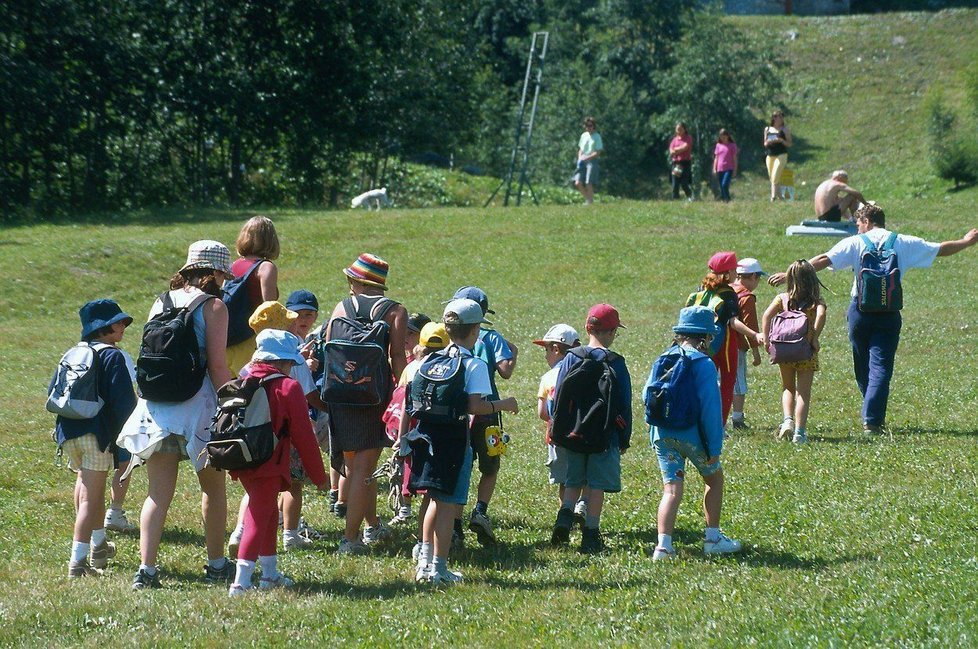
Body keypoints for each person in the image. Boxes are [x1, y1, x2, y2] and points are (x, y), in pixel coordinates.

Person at [769, 204, 978, 433]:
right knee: (881, 366)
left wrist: (791, 274)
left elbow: (823, 259)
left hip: (860, 312)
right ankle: (872, 419)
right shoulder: (903, 242)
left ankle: (872, 413)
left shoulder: (857, 242)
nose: (858, 229)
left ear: (866, 221)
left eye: (858, 224)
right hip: (889, 314)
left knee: (863, 366)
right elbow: (940, 249)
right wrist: (967, 241)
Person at [118, 240, 235, 590]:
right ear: (214, 273)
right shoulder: (213, 306)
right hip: (197, 408)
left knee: (157, 493)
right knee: (213, 489)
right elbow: (216, 365)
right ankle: (216, 564)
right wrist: (236, 398)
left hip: (156, 407)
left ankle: (147, 570)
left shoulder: (162, 301)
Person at [409, 299, 518, 584]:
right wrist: (503, 404)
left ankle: (424, 561)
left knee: (432, 499)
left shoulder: (429, 358)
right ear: (475, 331)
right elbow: (475, 406)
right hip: (454, 440)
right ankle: (439, 569)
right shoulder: (474, 364)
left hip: (425, 436)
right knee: (448, 504)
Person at [227, 329, 329, 597]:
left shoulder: (244, 378)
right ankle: (241, 583)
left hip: (242, 457)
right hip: (270, 463)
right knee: (258, 518)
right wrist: (319, 476)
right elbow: (304, 437)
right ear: (283, 361)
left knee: (269, 512)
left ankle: (269, 574)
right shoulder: (288, 387)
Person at [326, 253, 407, 555]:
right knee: (364, 468)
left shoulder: (340, 308)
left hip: (339, 393)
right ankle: (351, 538)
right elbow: (397, 357)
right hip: (374, 396)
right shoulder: (395, 310)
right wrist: (402, 392)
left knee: (356, 466)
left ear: (355, 281)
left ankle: (372, 525)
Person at [647, 306, 742, 561]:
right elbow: (711, 410)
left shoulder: (663, 358)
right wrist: (714, 449)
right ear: (706, 337)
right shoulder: (704, 364)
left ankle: (663, 547)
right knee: (714, 480)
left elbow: (649, 397)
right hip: (695, 438)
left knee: (671, 490)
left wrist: (653, 435)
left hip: (663, 436)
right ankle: (712, 538)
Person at [51, 299, 137, 577]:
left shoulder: (74, 352)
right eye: (118, 322)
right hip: (97, 435)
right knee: (90, 496)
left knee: (86, 487)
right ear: (102, 328)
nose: (123, 326)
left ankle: (99, 544)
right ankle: (77, 562)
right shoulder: (112, 356)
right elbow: (124, 402)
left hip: (69, 431)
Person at [549, 304, 632, 554]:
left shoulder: (572, 357)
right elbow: (624, 404)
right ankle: (591, 535)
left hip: (573, 432)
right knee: (596, 485)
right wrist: (623, 437)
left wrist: (558, 427)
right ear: (613, 332)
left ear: (587, 328)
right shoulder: (616, 363)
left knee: (574, 479)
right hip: (604, 435)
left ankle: (564, 516)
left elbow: (558, 396)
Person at [449, 286, 518, 548]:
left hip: (457, 412)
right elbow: (505, 371)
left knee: (460, 467)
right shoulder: (491, 336)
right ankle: (480, 510)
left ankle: (455, 526)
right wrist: (514, 353)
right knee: (490, 467)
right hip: (488, 412)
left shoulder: (449, 336)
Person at [686, 252, 762, 428]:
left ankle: (701, 421)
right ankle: (718, 425)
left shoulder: (701, 289)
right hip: (725, 345)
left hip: (703, 345)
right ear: (727, 273)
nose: (737, 272)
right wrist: (754, 335)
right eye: (734, 269)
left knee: (705, 384)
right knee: (727, 386)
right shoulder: (728, 293)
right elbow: (733, 322)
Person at [762, 261, 827, 444]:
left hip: (785, 350)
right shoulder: (816, 301)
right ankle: (800, 432)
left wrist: (767, 340)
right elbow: (821, 315)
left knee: (788, 387)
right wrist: (814, 337)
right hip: (807, 352)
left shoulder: (783, 298)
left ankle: (787, 421)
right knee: (803, 392)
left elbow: (767, 315)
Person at [533, 324, 586, 513]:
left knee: (564, 480)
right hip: (582, 433)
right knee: (583, 475)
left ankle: (566, 513)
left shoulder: (548, 377)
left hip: (557, 437)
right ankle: (583, 505)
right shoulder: (585, 370)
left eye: (546, 349)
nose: (546, 354)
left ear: (556, 349)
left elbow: (542, 413)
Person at [225, 216, 281, 374]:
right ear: (271, 240)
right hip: (249, 338)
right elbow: (269, 308)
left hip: (227, 337)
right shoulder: (265, 267)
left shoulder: (233, 266)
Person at [730, 258, 765, 430]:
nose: (757, 282)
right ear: (751, 276)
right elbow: (752, 325)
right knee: (738, 383)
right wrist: (756, 353)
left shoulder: (725, 290)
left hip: (715, 345)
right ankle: (737, 418)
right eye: (758, 278)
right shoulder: (747, 297)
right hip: (736, 346)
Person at [763, 111, 792, 201]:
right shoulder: (767, 129)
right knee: (772, 177)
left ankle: (773, 197)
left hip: (781, 154)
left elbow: (790, 143)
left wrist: (781, 141)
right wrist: (769, 141)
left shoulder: (785, 130)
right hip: (770, 155)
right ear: (773, 118)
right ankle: (781, 198)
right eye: (776, 116)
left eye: (780, 116)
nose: (779, 118)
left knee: (775, 176)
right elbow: (765, 143)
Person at [573, 117, 603, 205]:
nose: (588, 128)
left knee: (588, 182)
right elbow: (581, 149)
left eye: (590, 126)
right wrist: (579, 158)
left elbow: (598, 152)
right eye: (586, 126)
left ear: (594, 126)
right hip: (582, 161)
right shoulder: (584, 135)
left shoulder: (597, 137)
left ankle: (590, 202)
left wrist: (587, 158)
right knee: (577, 182)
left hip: (592, 161)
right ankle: (588, 199)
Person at [669, 122, 694, 201]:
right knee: (675, 183)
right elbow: (671, 151)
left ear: (684, 129)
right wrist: (676, 150)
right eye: (677, 129)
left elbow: (685, 147)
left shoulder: (688, 138)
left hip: (685, 163)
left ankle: (690, 197)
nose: (679, 130)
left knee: (684, 183)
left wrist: (676, 150)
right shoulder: (674, 140)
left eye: (680, 129)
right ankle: (675, 199)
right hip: (676, 163)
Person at [713, 129, 739, 202]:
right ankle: (725, 200)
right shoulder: (718, 145)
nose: (723, 138)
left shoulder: (732, 145)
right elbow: (716, 158)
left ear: (728, 136)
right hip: (720, 168)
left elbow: (735, 158)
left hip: (729, 168)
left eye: (724, 136)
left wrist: (735, 170)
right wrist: (714, 169)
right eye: (721, 137)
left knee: (724, 184)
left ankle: (727, 199)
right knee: (721, 186)